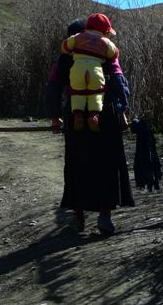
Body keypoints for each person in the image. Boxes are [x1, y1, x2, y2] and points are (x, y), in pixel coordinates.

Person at [46, 17, 134, 235]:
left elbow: (53, 86)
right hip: (104, 116)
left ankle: (77, 217)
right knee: (107, 164)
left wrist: (55, 116)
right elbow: (118, 84)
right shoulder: (105, 53)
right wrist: (122, 114)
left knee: (77, 164)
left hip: (75, 116)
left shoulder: (64, 58)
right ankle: (105, 215)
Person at [62, 12, 119, 132]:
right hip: (95, 71)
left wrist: (71, 51)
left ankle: (77, 115)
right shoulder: (105, 41)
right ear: (105, 31)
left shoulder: (78, 37)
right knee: (97, 93)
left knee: (77, 92)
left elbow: (65, 46)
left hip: (77, 69)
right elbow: (114, 54)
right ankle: (94, 115)